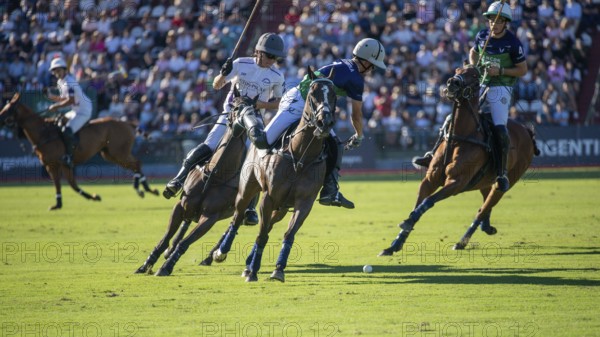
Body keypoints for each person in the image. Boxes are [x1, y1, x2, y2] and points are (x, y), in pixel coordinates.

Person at [235, 38, 387, 209]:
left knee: (334, 144)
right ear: (366, 61)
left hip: (312, 107)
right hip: (298, 102)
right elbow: (357, 115)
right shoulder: (356, 79)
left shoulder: (344, 64)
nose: (372, 69)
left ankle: (330, 190)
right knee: (263, 141)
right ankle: (246, 114)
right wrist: (359, 135)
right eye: (373, 65)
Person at [162, 32, 286, 224]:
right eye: (269, 55)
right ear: (258, 52)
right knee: (210, 144)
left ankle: (250, 208)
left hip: (253, 120)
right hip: (230, 115)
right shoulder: (240, 63)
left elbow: (279, 102)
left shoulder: (277, 75)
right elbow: (217, 85)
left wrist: (261, 105)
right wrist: (222, 73)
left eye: (275, 57)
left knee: (255, 159)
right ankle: (178, 179)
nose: (272, 60)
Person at [413, 1, 526, 192]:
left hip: (501, 88)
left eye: (498, 21)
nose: (493, 24)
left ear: (506, 22)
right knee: (452, 117)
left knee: (500, 130)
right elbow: (473, 53)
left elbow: (522, 70)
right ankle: (432, 155)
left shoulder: (513, 43)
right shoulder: (483, 36)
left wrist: (500, 70)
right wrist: (475, 66)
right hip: (481, 83)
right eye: (491, 19)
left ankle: (501, 173)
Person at [47, 57, 93, 168]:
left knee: (67, 131)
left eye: (58, 70)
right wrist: (52, 97)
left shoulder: (70, 82)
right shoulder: (60, 82)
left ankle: (70, 156)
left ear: (64, 69)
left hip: (84, 111)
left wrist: (56, 106)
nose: (56, 72)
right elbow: (64, 98)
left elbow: (70, 100)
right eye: (55, 70)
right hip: (75, 110)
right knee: (58, 122)